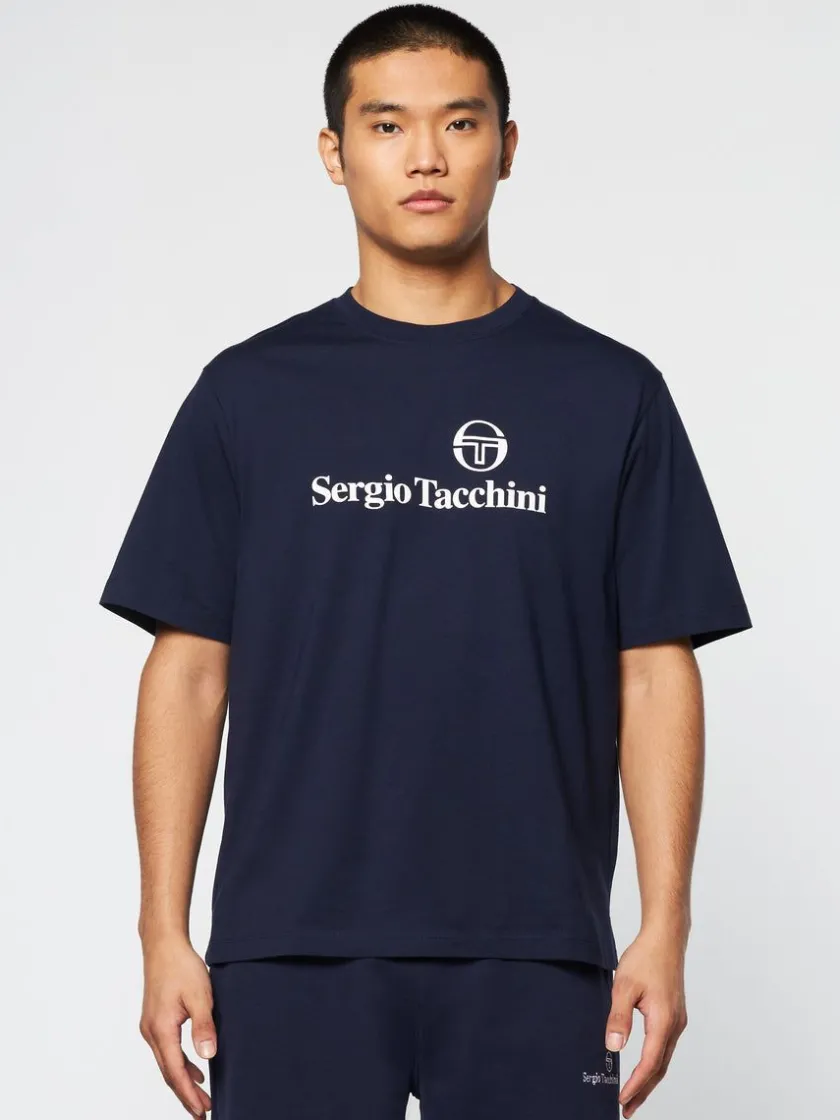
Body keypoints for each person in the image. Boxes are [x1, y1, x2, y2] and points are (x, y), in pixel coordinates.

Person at [98, 5, 753, 1119]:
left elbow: (655, 669)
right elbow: (191, 665)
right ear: (335, 151)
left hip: (540, 949)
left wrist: (665, 924)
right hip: (289, 945)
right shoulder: (249, 393)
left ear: (507, 144)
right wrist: (163, 930)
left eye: (460, 122)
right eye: (388, 124)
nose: (426, 157)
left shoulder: (609, 392)